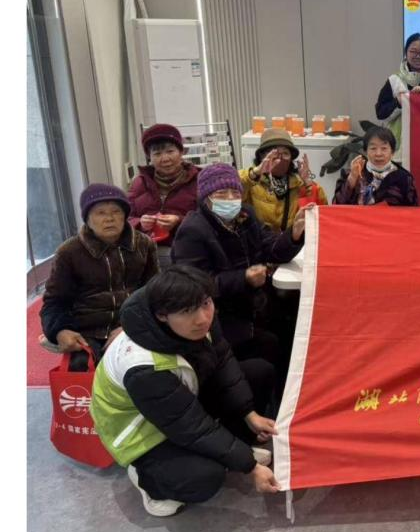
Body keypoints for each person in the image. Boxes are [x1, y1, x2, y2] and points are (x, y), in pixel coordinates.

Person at [91, 265, 280, 517]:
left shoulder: (198, 318)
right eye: (187, 311)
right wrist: (251, 467)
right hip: (141, 429)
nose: (202, 318)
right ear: (162, 315)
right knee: (205, 477)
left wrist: (249, 414)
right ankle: (148, 480)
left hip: (178, 399)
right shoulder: (143, 366)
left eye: (206, 303)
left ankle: (233, 448)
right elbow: (188, 426)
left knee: (258, 372)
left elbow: (222, 359)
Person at [170, 163, 304, 367]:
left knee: (295, 320)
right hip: (222, 316)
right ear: (206, 198)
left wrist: (293, 235)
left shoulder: (246, 216)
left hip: (255, 303)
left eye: (235, 193)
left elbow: (271, 247)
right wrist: (243, 278)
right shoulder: (192, 231)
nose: (230, 199)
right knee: (271, 345)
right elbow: (195, 285)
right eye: (221, 194)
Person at [40, 184, 158, 370]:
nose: (109, 218)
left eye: (116, 211)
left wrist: (131, 326)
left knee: (144, 366)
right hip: (86, 329)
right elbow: (55, 301)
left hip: (132, 322)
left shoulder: (144, 244)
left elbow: (154, 293)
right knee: (80, 367)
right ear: (87, 218)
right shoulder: (69, 252)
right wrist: (60, 330)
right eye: (100, 213)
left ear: (125, 215)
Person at [239, 127, 327, 232]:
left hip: (288, 240)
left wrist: (308, 182)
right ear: (262, 156)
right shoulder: (252, 181)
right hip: (258, 240)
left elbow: (319, 214)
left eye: (285, 153)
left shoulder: (297, 184)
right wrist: (255, 173)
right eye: (275, 153)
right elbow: (233, 189)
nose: (280, 158)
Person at [127, 124, 199, 249]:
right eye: (157, 153)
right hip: (148, 252)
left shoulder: (199, 180)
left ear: (181, 152)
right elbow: (125, 218)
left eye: (170, 151)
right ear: (149, 157)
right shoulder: (139, 183)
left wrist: (179, 220)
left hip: (189, 250)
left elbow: (210, 219)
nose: (165, 159)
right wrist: (140, 223)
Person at [334, 125, 419, 206]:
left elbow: (412, 211)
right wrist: (352, 178)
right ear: (365, 151)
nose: (378, 154)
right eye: (373, 148)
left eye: (384, 148)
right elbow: (337, 206)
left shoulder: (405, 178)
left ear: (392, 152)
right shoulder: (351, 173)